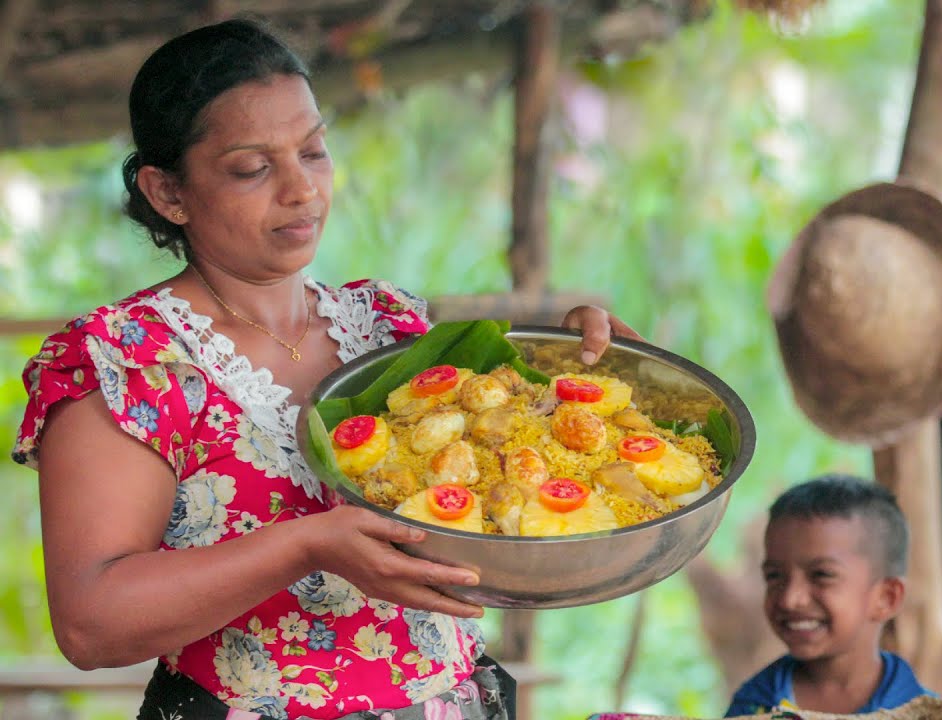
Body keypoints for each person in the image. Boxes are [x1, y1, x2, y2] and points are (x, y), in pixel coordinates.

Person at [10, 18, 641, 720]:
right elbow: (91, 624)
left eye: (313, 151)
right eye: (253, 168)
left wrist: (569, 370)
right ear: (167, 193)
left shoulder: (391, 326)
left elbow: (502, 485)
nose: (301, 191)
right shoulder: (130, 362)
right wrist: (305, 545)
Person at [724, 475, 930, 716]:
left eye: (821, 574)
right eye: (774, 576)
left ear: (886, 598)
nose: (790, 599)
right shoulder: (754, 705)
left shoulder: (923, 712)